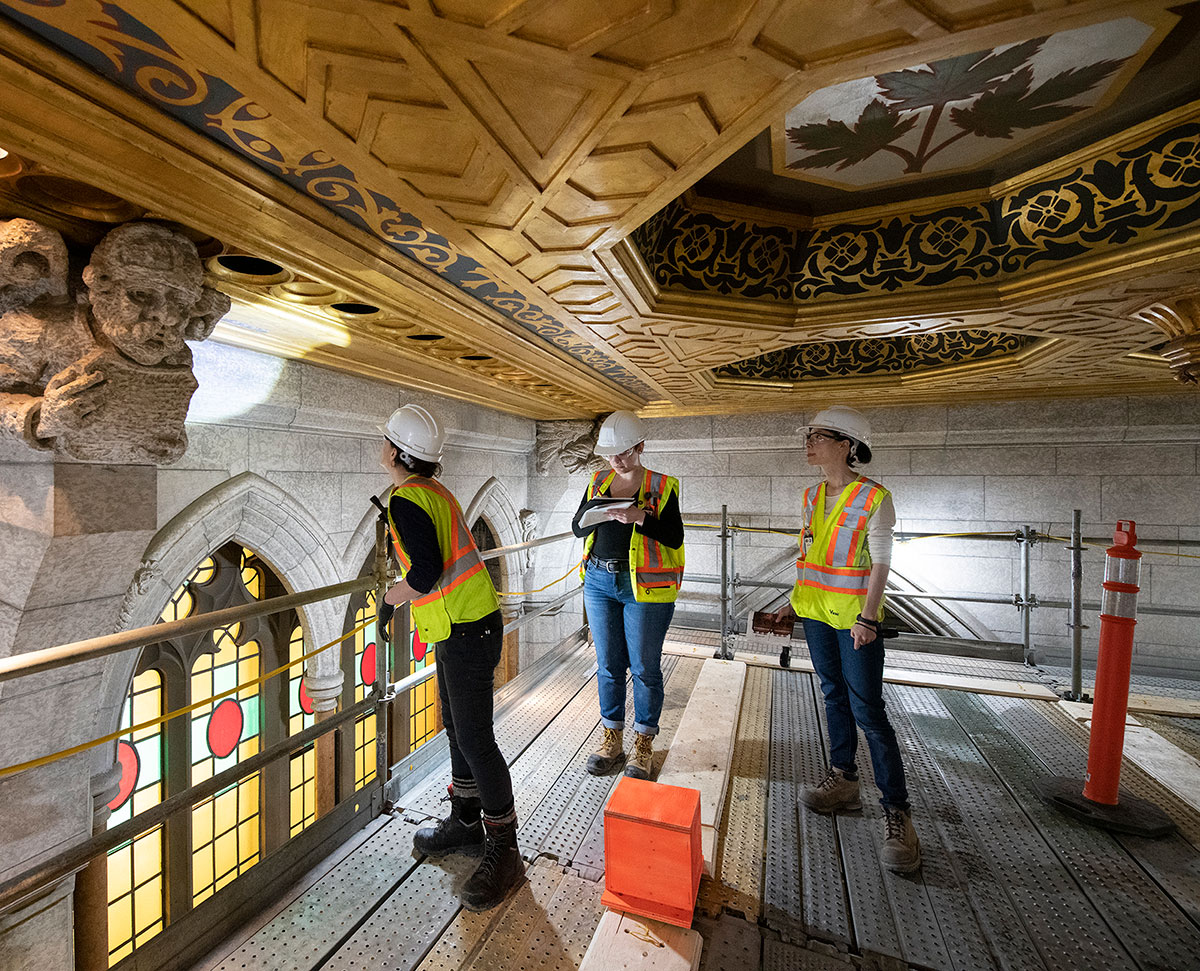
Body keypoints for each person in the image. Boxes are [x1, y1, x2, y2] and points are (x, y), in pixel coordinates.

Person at [378, 403, 524, 911]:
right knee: (458, 729)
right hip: (465, 624)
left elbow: (426, 570)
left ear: (396, 453)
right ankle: (465, 819)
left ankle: (505, 849)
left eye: (385, 442)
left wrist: (394, 595)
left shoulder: (405, 499)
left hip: (466, 628)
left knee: (477, 739)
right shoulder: (435, 490)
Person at [773, 405, 921, 874]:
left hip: (855, 621)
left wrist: (869, 618)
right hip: (816, 614)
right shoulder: (812, 496)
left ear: (846, 445)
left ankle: (897, 813)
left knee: (868, 712)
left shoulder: (874, 497)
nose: (808, 443)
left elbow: (881, 563)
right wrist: (791, 604)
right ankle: (843, 780)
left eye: (818, 436)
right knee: (833, 695)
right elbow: (810, 557)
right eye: (809, 435)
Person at [571, 411, 685, 780]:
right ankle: (611, 741)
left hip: (646, 589)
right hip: (600, 582)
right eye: (610, 454)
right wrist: (596, 512)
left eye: (623, 452)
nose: (616, 460)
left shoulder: (663, 485)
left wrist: (639, 516)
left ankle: (643, 746)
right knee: (608, 665)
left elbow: (674, 537)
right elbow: (576, 528)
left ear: (640, 447)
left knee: (645, 669)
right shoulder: (597, 482)